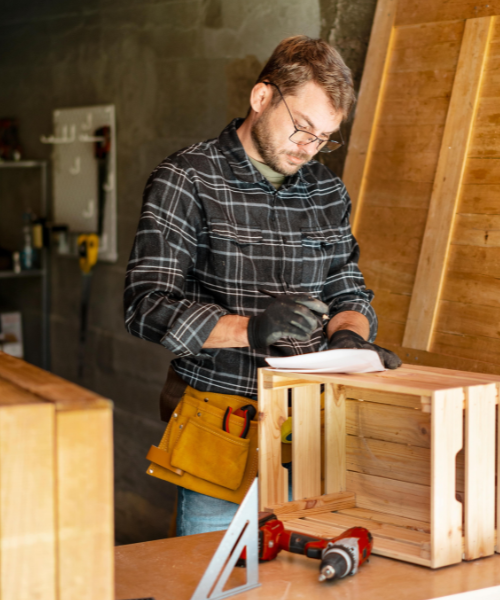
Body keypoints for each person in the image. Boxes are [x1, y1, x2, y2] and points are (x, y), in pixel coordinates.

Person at [124, 35, 401, 537]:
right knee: (215, 578)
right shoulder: (188, 178)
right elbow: (146, 305)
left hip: (311, 427)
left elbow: (348, 287)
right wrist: (249, 331)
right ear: (261, 97)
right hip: (220, 421)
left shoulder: (325, 191)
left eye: (324, 137)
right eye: (302, 127)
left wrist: (350, 339)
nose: (308, 147)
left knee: (301, 579)